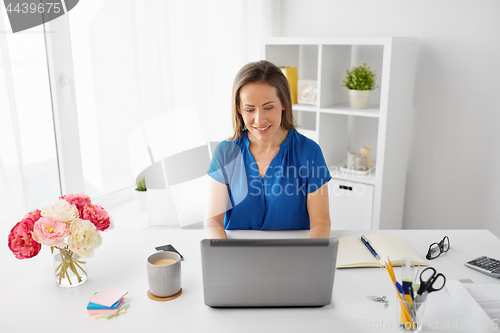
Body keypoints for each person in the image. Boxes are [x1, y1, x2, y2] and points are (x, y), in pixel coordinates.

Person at [204, 60, 331, 239]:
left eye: (268, 107)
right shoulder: (225, 153)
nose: (259, 119)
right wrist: (225, 256)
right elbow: (212, 221)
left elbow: (321, 221)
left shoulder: (309, 152)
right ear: (239, 109)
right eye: (250, 110)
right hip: (237, 256)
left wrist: (303, 261)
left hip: (294, 255)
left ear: (284, 104)